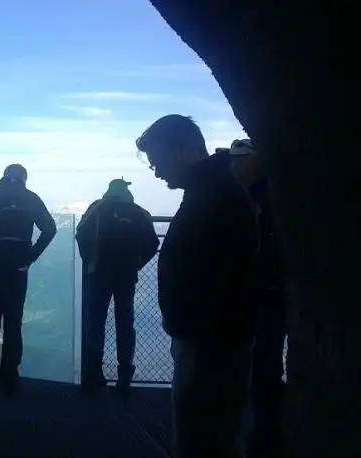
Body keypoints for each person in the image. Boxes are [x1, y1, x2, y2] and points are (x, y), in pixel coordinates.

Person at [135, 115, 259, 458]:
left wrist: (192, 326)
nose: (157, 173)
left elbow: (227, 277)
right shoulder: (212, 191)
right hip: (206, 341)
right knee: (207, 436)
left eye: (158, 162)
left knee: (202, 440)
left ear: (184, 149)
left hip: (209, 346)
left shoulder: (217, 196)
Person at [0, 164, 57, 395]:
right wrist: (30, 256)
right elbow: (50, 229)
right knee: (13, 323)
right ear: (24, 178)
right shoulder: (29, 198)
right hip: (17, 270)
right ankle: (9, 378)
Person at [228, 139, 287, 458]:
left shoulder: (262, 200)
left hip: (266, 296)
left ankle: (264, 435)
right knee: (261, 367)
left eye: (241, 160)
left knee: (263, 368)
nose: (234, 166)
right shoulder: (255, 197)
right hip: (261, 294)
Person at [75, 178, 159, 393]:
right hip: (126, 275)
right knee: (125, 324)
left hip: (99, 274)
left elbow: (81, 234)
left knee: (96, 324)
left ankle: (93, 373)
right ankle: (124, 376)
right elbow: (152, 243)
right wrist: (137, 264)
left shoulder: (97, 209)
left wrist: (90, 261)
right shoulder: (138, 212)